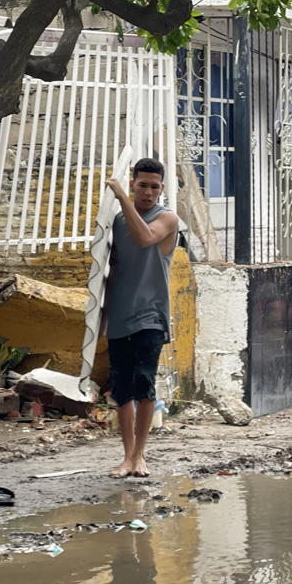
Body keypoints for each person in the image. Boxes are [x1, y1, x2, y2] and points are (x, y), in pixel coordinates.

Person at [103, 158, 178, 478]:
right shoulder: (119, 221)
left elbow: (146, 237)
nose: (148, 192)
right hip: (120, 314)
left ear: (162, 189)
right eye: (142, 185)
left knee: (144, 384)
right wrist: (101, 318)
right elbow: (112, 268)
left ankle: (139, 455)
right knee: (122, 389)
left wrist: (121, 196)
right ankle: (125, 456)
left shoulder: (168, 218)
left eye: (154, 186)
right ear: (134, 183)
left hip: (151, 315)